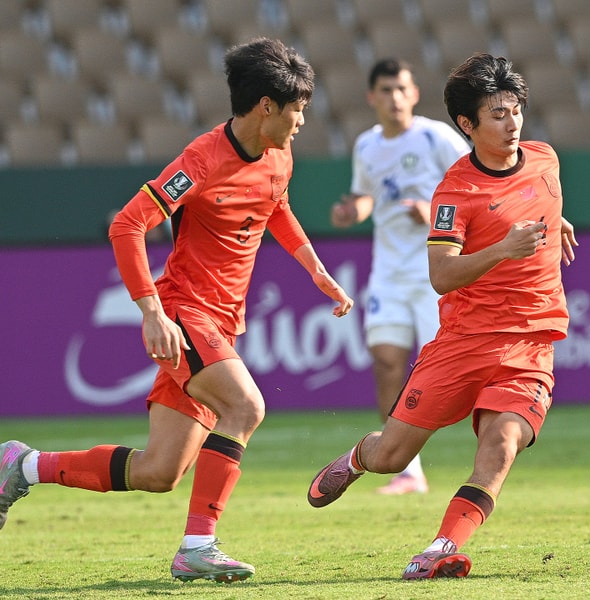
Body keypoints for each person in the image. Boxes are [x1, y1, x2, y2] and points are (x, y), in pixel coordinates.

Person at [0, 38, 353, 583]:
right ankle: (198, 546)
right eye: (298, 108)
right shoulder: (202, 160)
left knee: (159, 471)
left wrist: (315, 268)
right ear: (266, 106)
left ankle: (21, 465)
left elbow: (276, 205)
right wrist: (151, 312)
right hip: (185, 312)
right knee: (246, 408)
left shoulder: (278, 155)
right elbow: (128, 224)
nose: (302, 121)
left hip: (222, 324)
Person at [308, 52, 577, 580]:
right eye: (497, 115)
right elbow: (442, 274)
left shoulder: (546, 159)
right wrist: (503, 249)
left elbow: (532, 195)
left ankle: (441, 547)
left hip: (529, 343)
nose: (512, 123)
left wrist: (557, 216)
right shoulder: (455, 191)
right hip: (463, 341)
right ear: (467, 125)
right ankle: (358, 459)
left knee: (502, 444)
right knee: (392, 455)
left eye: (516, 110)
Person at [330, 58, 470, 495]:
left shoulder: (435, 137)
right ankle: (408, 469)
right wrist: (354, 211)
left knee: (439, 370)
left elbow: (476, 182)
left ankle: (491, 437)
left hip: (435, 270)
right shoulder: (367, 145)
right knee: (387, 362)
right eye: (386, 90)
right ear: (372, 97)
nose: (395, 98)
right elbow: (367, 195)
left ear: (414, 94)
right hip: (388, 272)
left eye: (401, 89)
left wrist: (432, 212)